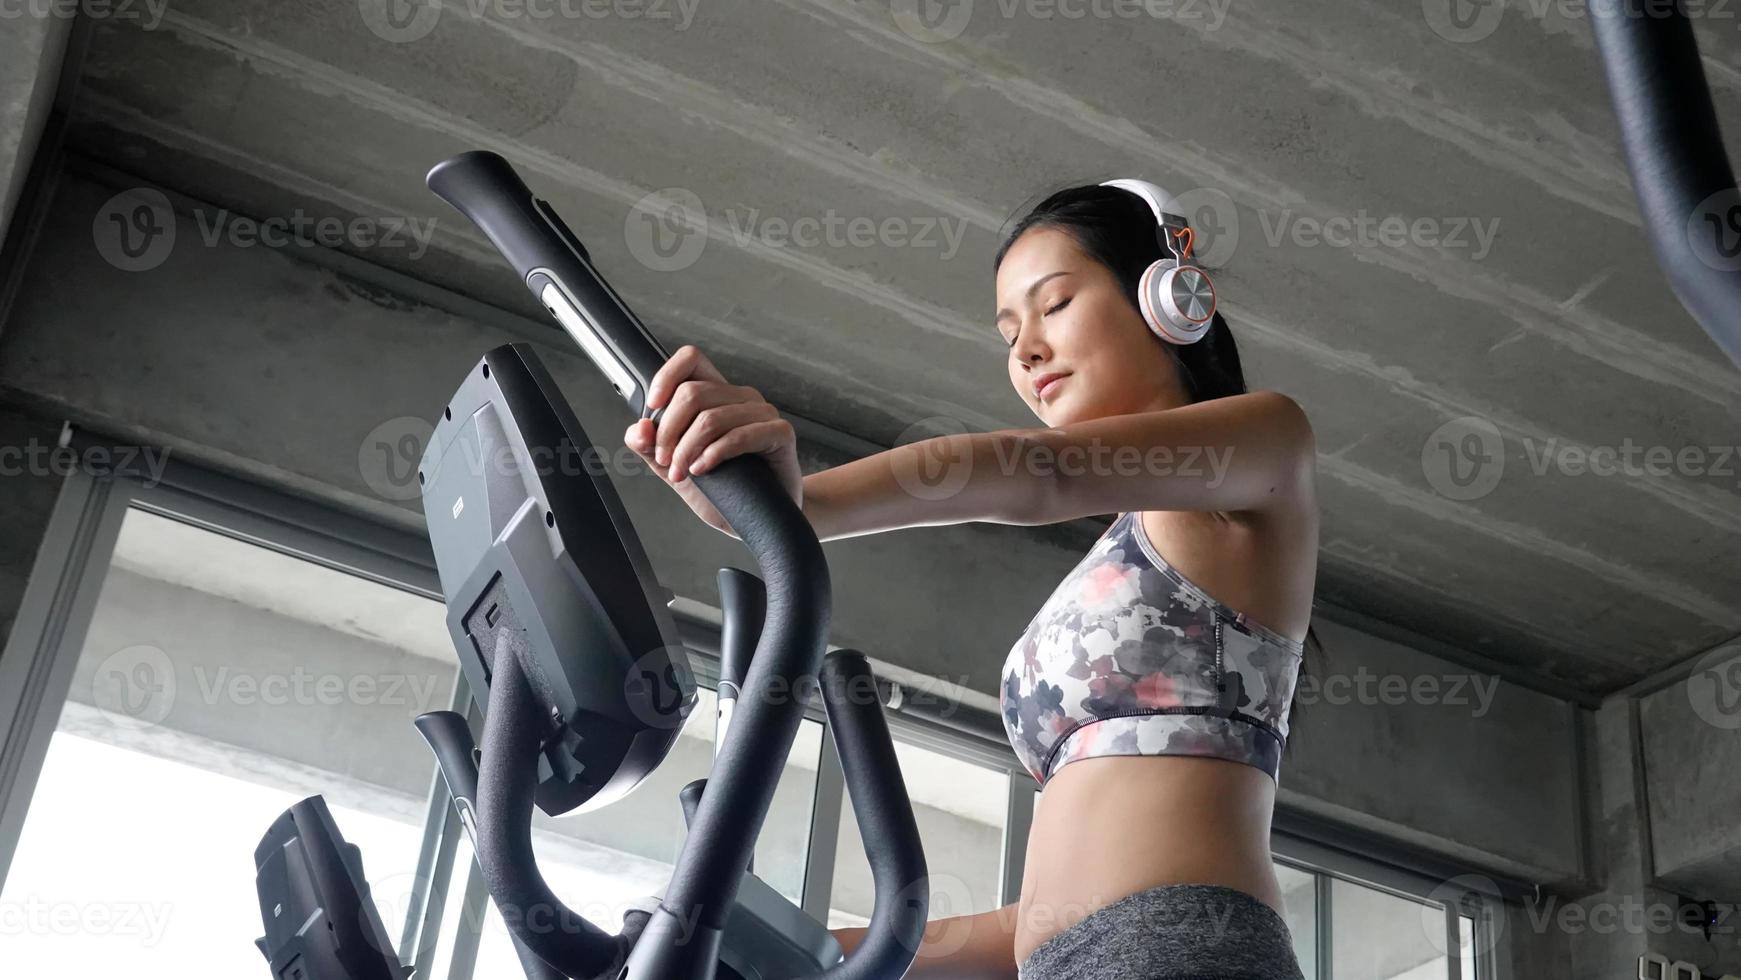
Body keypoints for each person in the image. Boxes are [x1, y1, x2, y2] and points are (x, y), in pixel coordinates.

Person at [622, 181, 1319, 980]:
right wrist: (784, 958)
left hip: (1184, 951)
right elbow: (1042, 926)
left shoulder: (1269, 446)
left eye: (1053, 304)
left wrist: (801, 505)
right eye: (1008, 330)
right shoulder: (1118, 560)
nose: (1024, 350)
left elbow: (1039, 472)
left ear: (1169, 301)